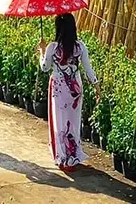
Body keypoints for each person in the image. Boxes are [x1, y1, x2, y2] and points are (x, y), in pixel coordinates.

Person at [41, 13, 97, 171]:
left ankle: (62, 157)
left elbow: (45, 67)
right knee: (74, 121)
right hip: (75, 88)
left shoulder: (53, 47)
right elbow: (88, 69)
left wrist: (42, 51)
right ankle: (73, 155)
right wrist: (96, 85)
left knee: (59, 121)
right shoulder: (80, 46)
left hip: (59, 86)